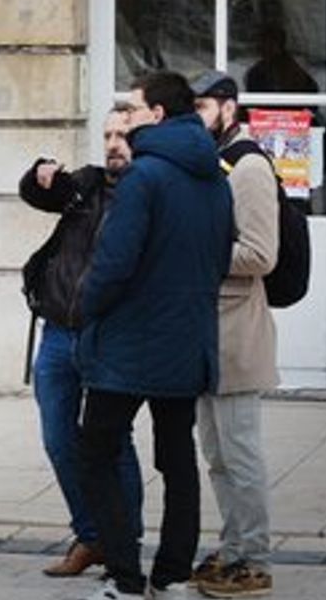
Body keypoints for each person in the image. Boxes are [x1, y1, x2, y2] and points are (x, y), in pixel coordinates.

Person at [76, 71, 233, 600]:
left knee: (95, 451)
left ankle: (125, 575)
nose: (129, 116)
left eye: (135, 108)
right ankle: (172, 576)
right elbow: (217, 259)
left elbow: (115, 263)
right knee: (177, 459)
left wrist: (85, 309)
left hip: (128, 341)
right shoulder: (213, 176)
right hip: (186, 340)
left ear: (158, 115)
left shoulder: (145, 177)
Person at [18, 104, 144, 578]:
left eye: (123, 135)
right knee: (57, 438)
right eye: (108, 134)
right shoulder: (87, 186)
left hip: (109, 334)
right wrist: (40, 172)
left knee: (114, 442)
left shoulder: (144, 192)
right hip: (56, 332)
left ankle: (123, 542)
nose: (113, 144)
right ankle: (92, 537)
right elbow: (36, 193)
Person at [190, 71, 281, 600]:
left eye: (204, 107)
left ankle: (256, 559)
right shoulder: (215, 162)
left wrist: (192, 253)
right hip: (207, 335)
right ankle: (234, 546)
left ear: (228, 108)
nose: (198, 116)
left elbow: (260, 255)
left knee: (240, 454)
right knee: (218, 456)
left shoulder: (248, 166)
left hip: (238, 337)